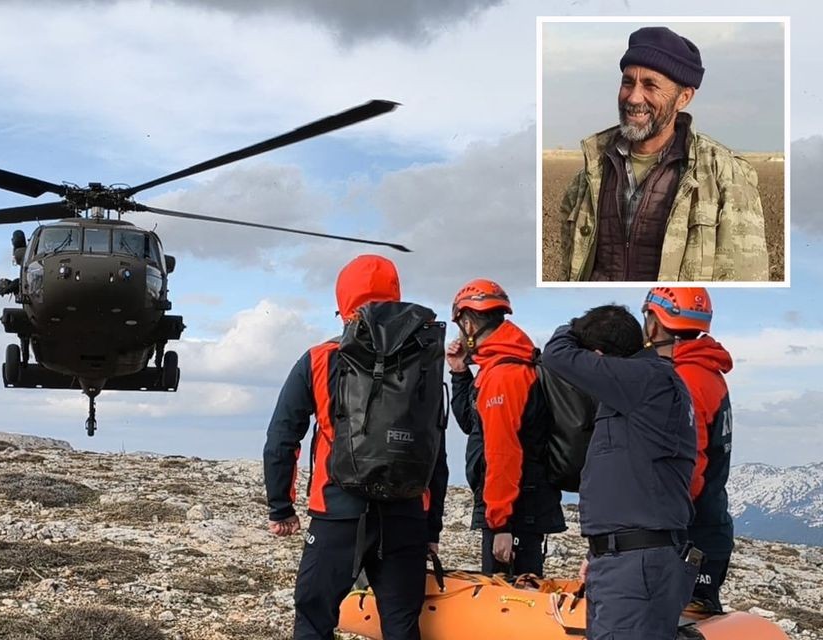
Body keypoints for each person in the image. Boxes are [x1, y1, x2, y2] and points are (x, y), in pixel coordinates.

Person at [263, 254, 448, 640]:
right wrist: (431, 526)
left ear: (342, 304)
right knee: (401, 624)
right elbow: (434, 449)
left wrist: (281, 506)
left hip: (338, 513)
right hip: (406, 515)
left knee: (314, 619)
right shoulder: (424, 361)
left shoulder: (319, 358)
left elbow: (282, 436)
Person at [557, 25, 768, 282]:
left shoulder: (724, 176)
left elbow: (747, 279)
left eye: (650, 85)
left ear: (683, 98)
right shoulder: (588, 177)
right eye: (628, 82)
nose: (634, 98)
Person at [542, 304, 699, 639]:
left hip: (635, 566)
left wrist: (573, 325)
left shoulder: (644, 379)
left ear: (600, 357)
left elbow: (556, 354)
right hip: (627, 559)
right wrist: (599, 551)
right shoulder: (645, 384)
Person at [446, 279, 565, 577]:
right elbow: (473, 427)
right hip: (519, 508)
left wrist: (501, 524)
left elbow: (502, 452)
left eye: (461, 324)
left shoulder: (504, 376)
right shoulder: (498, 368)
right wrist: (460, 373)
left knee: (511, 597)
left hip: (516, 512)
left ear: (469, 324)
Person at [641, 287, 735, 612]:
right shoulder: (708, 373)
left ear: (655, 324)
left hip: (687, 535)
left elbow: (687, 468)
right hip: (708, 529)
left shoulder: (684, 381)